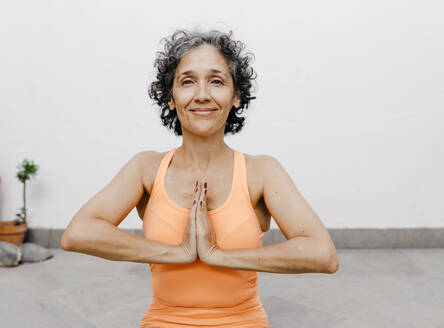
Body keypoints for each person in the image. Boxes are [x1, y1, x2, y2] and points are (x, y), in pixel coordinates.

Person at [61, 29, 339, 327]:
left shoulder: (262, 172)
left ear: (236, 97)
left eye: (216, 81)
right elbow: (77, 234)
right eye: (188, 81)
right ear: (171, 98)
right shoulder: (147, 169)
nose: (202, 94)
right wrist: (177, 253)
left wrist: (216, 255)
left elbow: (322, 254)